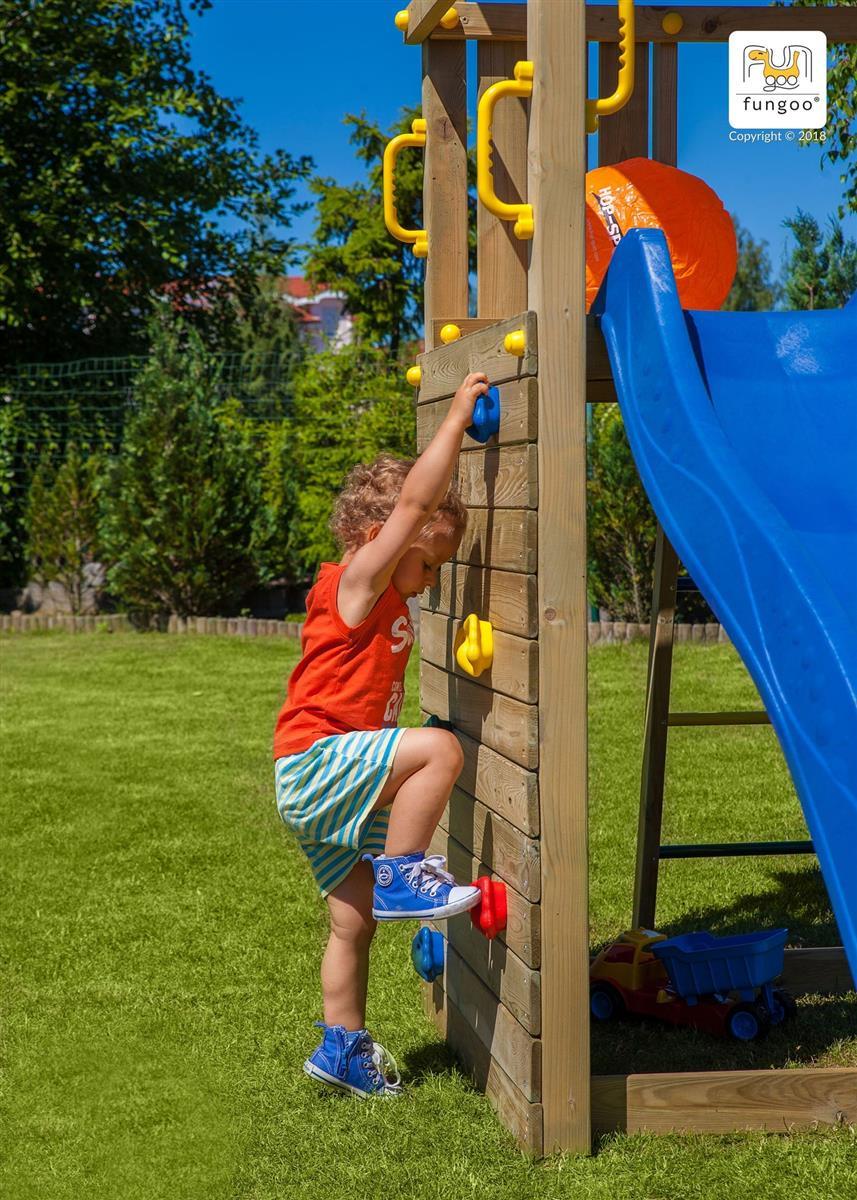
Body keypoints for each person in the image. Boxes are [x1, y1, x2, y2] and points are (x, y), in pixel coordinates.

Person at [273, 371, 490, 1099]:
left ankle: (342, 1048)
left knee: (349, 923)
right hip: (314, 764)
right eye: (427, 560)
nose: (430, 579)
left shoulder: (384, 589)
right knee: (442, 750)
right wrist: (458, 418)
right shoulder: (356, 581)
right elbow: (416, 501)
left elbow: (419, 516)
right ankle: (404, 878)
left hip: (316, 787)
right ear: (379, 539)